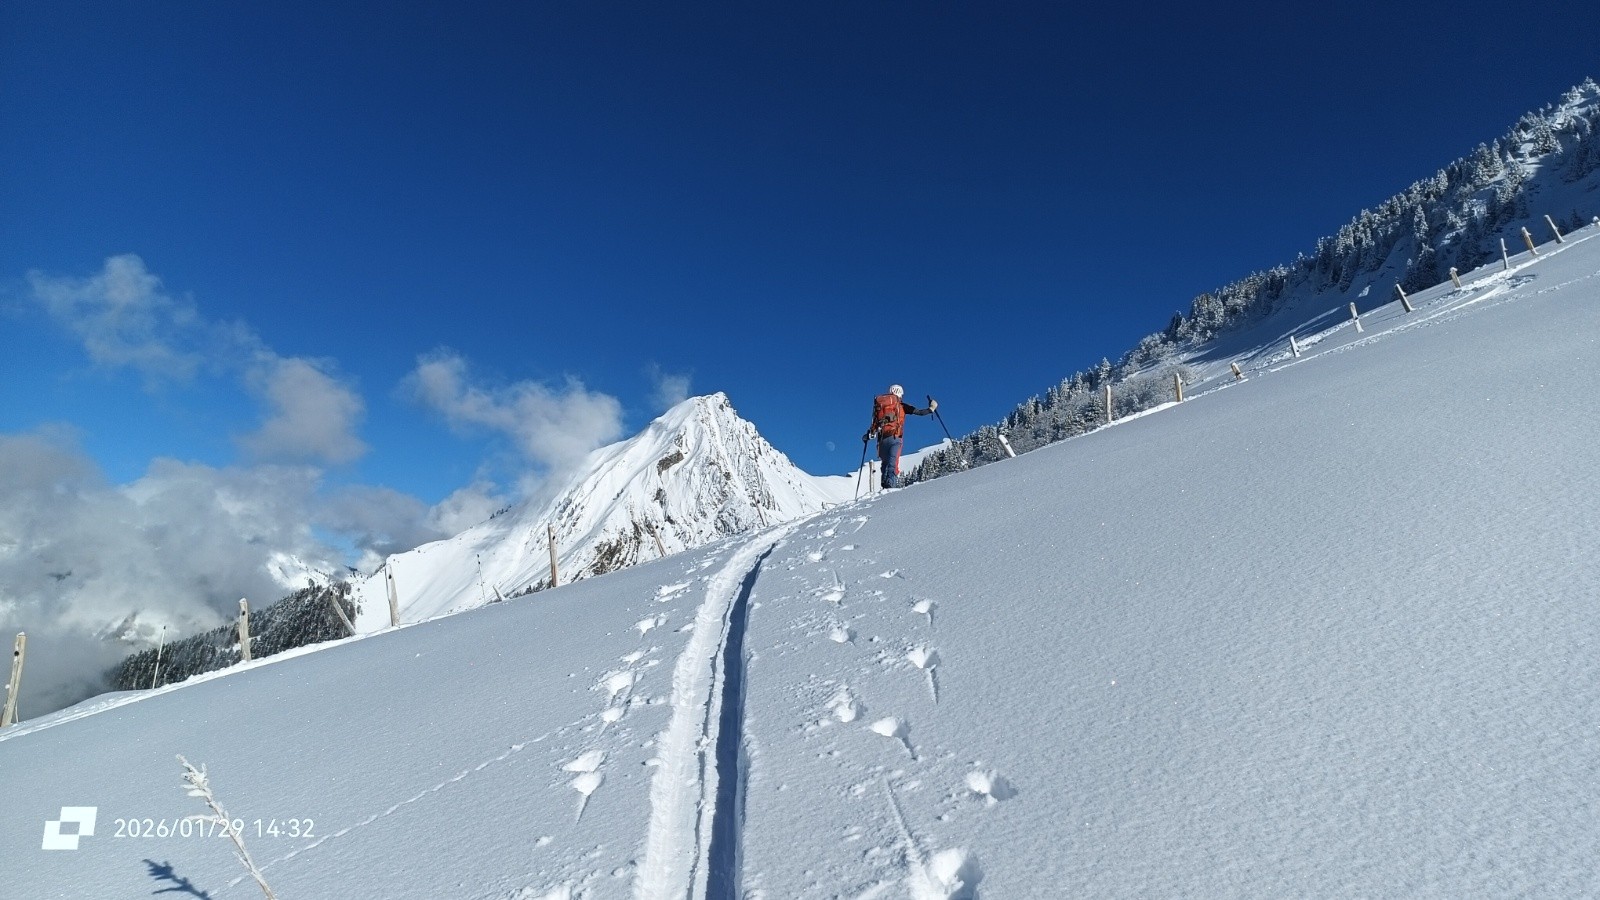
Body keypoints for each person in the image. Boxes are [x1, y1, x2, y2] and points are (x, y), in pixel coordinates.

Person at [864, 384, 936, 490]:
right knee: (893, 464)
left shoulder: (880, 406)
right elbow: (920, 412)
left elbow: (873, 427)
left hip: (882, 441)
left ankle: (884, 489)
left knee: (885, 465)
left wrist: (867, 436)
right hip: (895, 438)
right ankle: (890, 489)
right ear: (900, 394)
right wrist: (931, 408)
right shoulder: (901, 405)